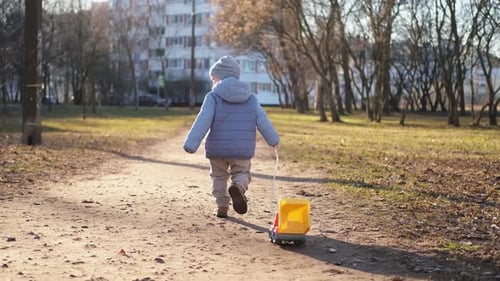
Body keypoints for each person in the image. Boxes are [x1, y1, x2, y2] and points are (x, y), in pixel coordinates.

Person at [183, 56, 280, 218]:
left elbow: (203, 120)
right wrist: (273, 140)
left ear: (219, 77)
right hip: (242, 149)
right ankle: (239, 187)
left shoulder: (212, 97)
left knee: (219, 176)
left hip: (217, 149)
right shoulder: (251, 98)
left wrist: (191, 144)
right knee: (242, 172)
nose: (212, 82)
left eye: (213, 78)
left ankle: (222, 206)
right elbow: (263, 120)